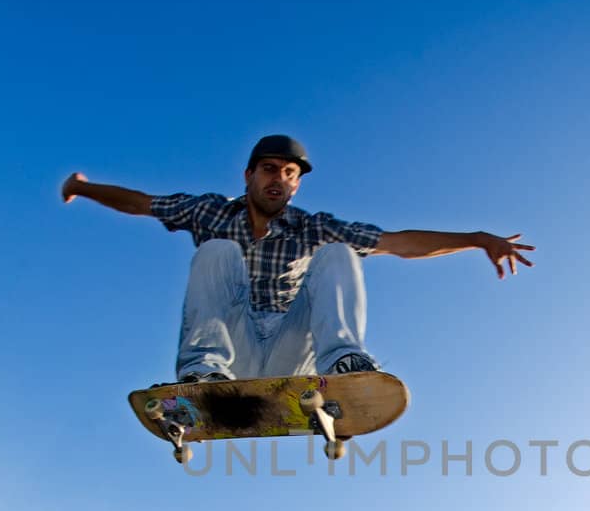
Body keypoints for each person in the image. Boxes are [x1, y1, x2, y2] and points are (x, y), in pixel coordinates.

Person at [61, 134, 533, 382]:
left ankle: (344, 366)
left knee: (338, 251)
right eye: (269, 170)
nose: (279, 181)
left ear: (296, 183)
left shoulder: (313, 224)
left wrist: (474, 238)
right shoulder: (207, 209)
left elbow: (399, 243)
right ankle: (202, 372)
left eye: (289, 174)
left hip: (295, 355)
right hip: (234, 349)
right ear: (248, 175)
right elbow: (142, 203)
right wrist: (82, 188)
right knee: (217, 250)